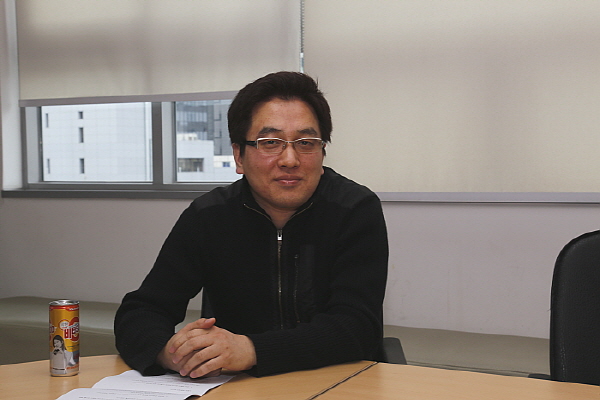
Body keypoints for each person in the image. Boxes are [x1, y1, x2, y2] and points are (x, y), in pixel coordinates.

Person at [114, 71, 388, 378]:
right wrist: (171, 352)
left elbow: (357, 327)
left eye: (305, 142)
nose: (290, 159)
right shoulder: (209, 216)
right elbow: (142, 312)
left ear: (322, 150)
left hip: (338, 380)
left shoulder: (354, 209)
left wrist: (251, 350)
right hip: (238, 386)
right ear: (239, 156)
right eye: (270, 142)